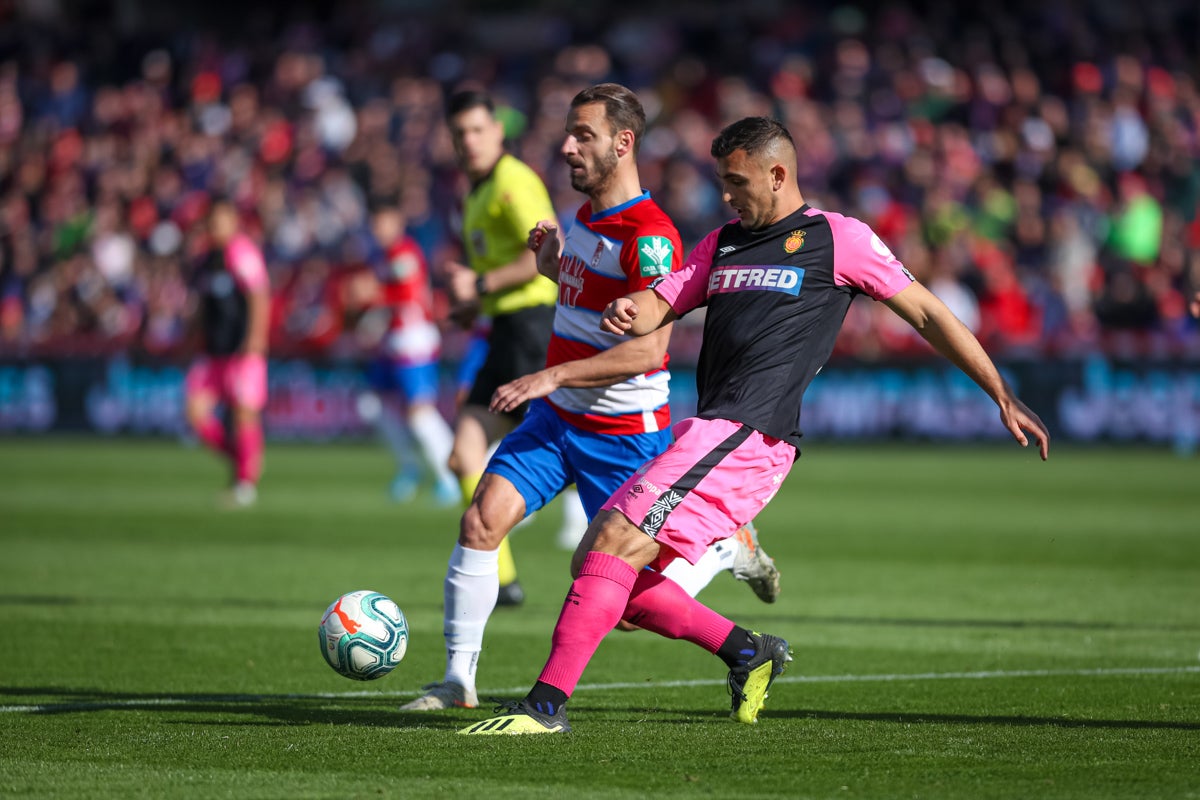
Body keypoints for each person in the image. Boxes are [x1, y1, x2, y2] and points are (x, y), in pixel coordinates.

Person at [460, 116, 1051, 735]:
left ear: (778, 175)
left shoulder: (837, 240)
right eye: (720, 181)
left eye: (736, 181)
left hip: (751, 433)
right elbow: (658, 306)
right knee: (608, 572)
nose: (725, 195)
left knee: (609, 540)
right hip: (712, 430)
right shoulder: (721, 243)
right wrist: (628, 304)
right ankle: (748, 650)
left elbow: (927, 312)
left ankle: (544, 708)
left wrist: (1001, 394)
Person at [403, 84, 781, 712]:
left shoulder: (652, 236)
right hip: (558, 424)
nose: (566, 146)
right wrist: (554, 265)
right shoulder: (581, 220)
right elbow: (590, 298)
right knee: (481, 518)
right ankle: (456, 683)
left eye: (582, 135)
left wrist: (550, 376)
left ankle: (736, 609)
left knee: (627, 602)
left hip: (625, 435)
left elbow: (647, 353)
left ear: (622, 143)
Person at [439, 88, 564, 605]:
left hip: (534, 327)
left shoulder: (512, 180)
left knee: (577, 454)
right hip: (504, 331)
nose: (469, 141)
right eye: (460, 133)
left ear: (497, 131)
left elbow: (548, 247)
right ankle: (501, 580)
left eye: (477, 130)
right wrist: (473, 304)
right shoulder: (474, 194)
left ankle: (701, 532)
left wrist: (481, 285)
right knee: (464, 452)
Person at [357, 205, 459, 506]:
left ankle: (450, 475)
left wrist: (372, 295)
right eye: (375, 223)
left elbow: (409, 295)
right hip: (391, 342)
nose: (379, 229)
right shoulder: (381, 256)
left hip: (413, 341)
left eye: (384, 221)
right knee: (371, 405)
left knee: (420, 414)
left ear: (397, 222)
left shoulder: (405, 252)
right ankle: (409, 468)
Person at [184, 200, 271, 508]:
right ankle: (243, 459)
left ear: (234, 221)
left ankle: (245, 485)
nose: (216, 226)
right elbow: (200, 305)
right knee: (196, 413)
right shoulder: (206, 258)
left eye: (222, 220)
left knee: (243, 413)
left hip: (241, 350)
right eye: (213, 220)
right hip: (212, 351)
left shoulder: (241, 252)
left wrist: (256, 338)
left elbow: (258, 295)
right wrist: (192, 337)